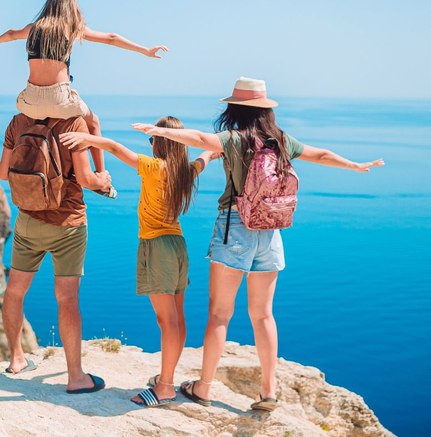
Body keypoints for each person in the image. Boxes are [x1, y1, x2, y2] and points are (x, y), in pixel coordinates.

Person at [132, 77, 384, 411]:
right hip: (272, 230)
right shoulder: (280, 140)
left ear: (234, 108)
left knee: (220, 315)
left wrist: (161, 132)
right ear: (266, 110)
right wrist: (354, 165)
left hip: (235, 228)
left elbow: (200, 138)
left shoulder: (234, 138)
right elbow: (320, 154)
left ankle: (204, 388)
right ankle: (268, 392)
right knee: (263, 315)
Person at [60, 117, 217, 407]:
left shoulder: (155, 167)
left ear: (160, 142)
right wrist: (211, 152)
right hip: (178, 246)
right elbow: (202, 159)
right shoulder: (186, 171)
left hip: (156, 246)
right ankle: (166, 377)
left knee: (166, 321)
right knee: (178, 319)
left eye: (153, 140)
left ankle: (165, 387)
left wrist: (88, 140)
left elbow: (118, 150)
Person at [0, 0, 168, 198]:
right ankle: (101, 177)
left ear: (49, 5)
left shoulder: (33, 28)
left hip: (30, 100)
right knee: (94, 121)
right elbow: (111, 37)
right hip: (60, 99)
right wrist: (145, 50)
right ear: (71, 8)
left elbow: (11, 34)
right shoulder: (71, 28)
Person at [0, 111, 111, 394]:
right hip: (68, 224)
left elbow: (3, 173)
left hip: (28, 220)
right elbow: (86, 179)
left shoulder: (19, 121)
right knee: (67, 298)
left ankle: (16, 359)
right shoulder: (73, 124)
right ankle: (75, 377)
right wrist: (103, 179)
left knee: (14, 291)